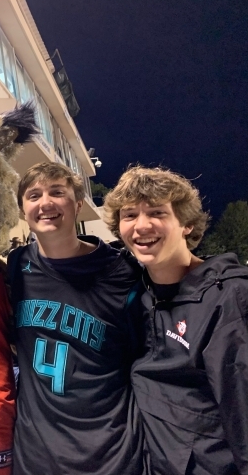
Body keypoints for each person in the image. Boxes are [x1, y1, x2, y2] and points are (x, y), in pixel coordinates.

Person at [104, 165, 248, 474]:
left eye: (157, 213)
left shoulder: (228, 299)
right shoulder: (137, 296)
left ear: (186, 224)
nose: (141, 226)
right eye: (129, 215)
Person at [7, 162, 144, 474]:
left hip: (111, 452)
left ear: (79, 204)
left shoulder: (123, 271)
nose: (46, 203)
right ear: (22, 210)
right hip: (36, 453)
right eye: (34, 195)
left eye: (58, 192)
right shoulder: (16, 266)